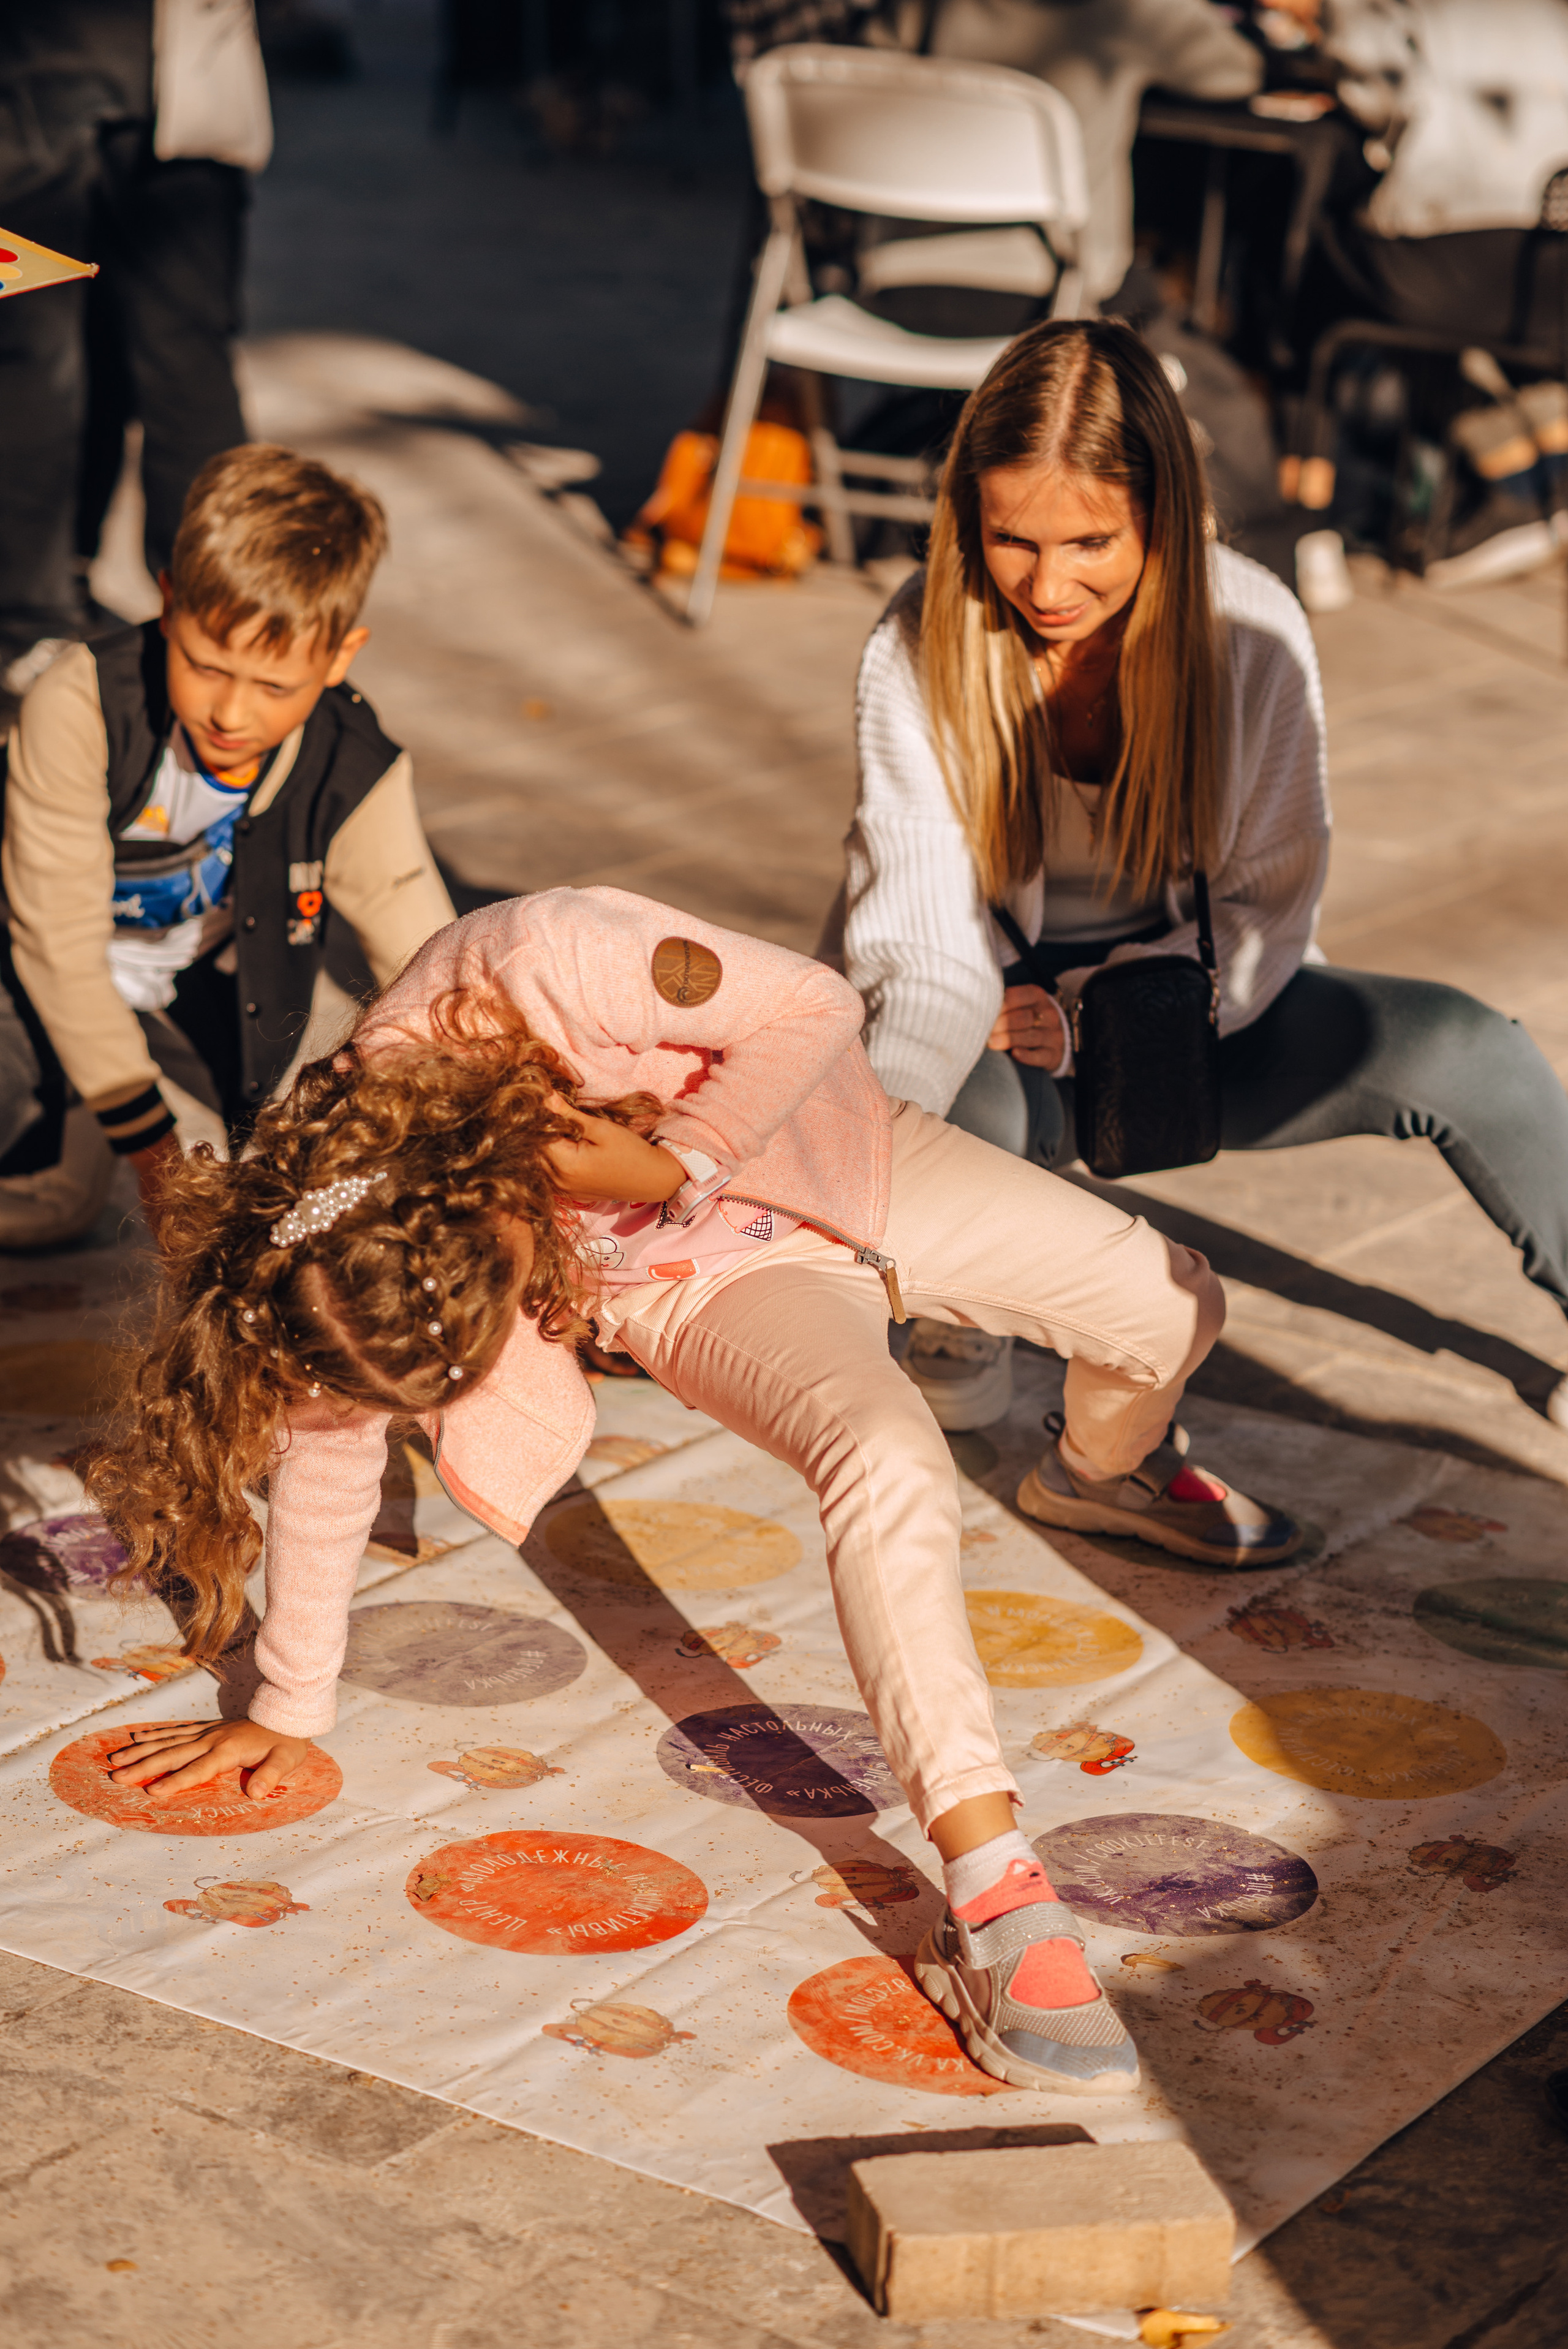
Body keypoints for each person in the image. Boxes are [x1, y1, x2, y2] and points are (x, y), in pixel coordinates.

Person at [91, 883, 1300, 2095]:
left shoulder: (539, 958)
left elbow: (813, 1002)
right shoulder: (339, 1245)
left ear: (482, 1205)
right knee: (885, 1457)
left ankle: (1098, 1471)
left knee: (1172, 1302)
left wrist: (683, 1156)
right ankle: (992, 1889)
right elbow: (331, 1445)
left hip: (843, 1162)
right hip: (699, 1286)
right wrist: (288, 1702)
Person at [837, 314, 1568, 1434]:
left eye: (1091, 542)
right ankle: (953, 1308)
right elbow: (922, 951)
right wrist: (862, 1170)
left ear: (1162, 517)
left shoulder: (1251, 634)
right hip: (991, 1025)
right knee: (948, 1084)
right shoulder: (916, 647)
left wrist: (1098, 1016)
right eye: (1012, 539)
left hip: (1202, 1005)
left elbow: (1271, 910)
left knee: (1473, 1046)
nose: (1047, 583)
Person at [0, 441, 455, 1247]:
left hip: (191, 971)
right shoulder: (78, 701)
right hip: (29, 963)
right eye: (206, 666)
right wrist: (152, 1150)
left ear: (341, 654)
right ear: (169, 604)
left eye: (276, 687)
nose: (233, 716)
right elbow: (57, 945)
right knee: (55, 1204)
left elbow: (430, 961)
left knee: (292, 1180)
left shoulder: (355, 762)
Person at [0, 0, 270, 692]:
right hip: (161, 58)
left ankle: (35, 622)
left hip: (56, 58)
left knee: (39, 349)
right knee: (167, 347)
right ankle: (217, 621)